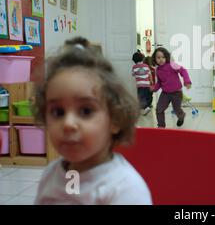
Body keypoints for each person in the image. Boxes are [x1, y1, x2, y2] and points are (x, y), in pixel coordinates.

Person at [34, 37, 152, 204]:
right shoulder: (51, 174)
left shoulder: (125, 190)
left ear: (115, 119)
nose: (68, 123)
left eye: (86, 111)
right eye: (58, 112)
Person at [150, 47, 191, 128]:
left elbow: (183, 70)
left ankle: (181, 115)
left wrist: (187, 81)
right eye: (158, 57)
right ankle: (161, 126)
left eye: (163, 57)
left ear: (166, 57)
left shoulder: (172, 65)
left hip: (176, 93)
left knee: (177, 110)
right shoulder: (157, 70)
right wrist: (154, 89)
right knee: (159, 109)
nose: (161, 59)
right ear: (155, 59)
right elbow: (160, 82)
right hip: (165, 93)